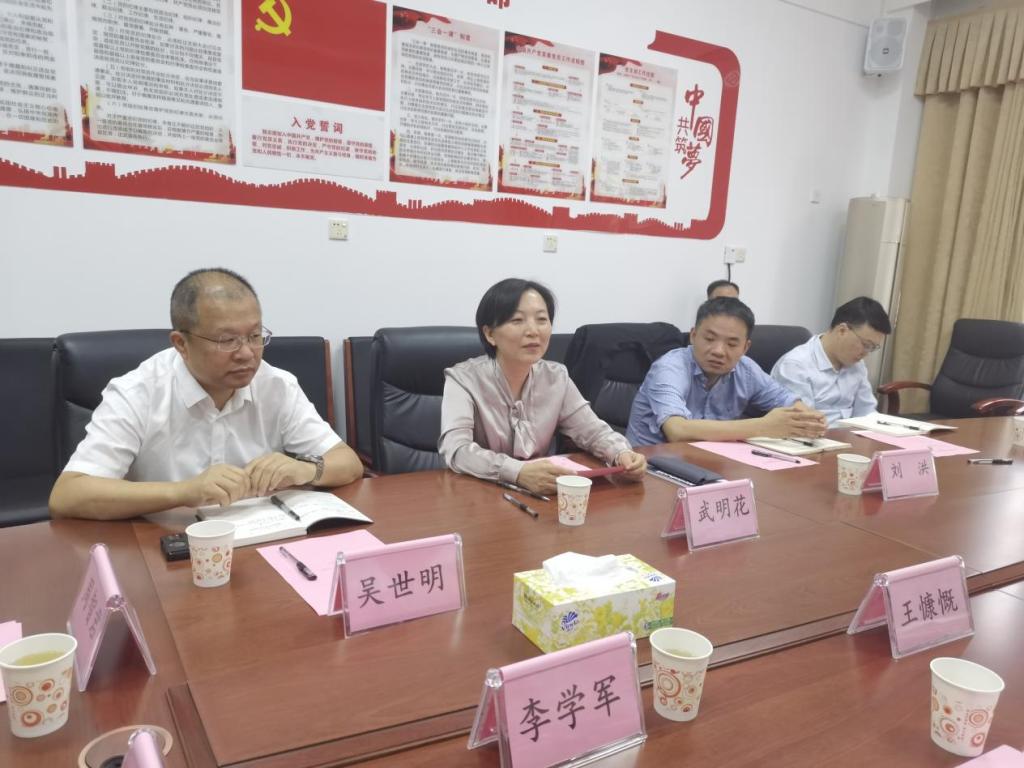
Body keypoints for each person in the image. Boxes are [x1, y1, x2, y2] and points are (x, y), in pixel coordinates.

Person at [49, 268, 363, 520]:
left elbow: (348, 462)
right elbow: (68, 495)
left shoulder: (276, 385)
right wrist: (185, 491)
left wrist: (304, 470)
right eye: (227, 340)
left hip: (261, 536)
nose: (247, 353)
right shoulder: (138, 393)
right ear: (181, 344)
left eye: (255, 335)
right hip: (163, 544)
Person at [439, 278, 647, 496]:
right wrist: (517, 472)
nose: (533, 331)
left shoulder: (556, 377)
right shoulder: (463, 379)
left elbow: (592, 431)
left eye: (541, 319)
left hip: (542, 495)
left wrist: (621, 453)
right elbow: (456, 450)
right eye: (517, 320)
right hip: (479, 495)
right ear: (490, 334)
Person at [626, 297, 827, 445]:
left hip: (710, 464)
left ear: (745, 347)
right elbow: (678, 430)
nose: (719, 351)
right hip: (651, 467)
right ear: (693, 336)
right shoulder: (670, 367)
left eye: (731, 344)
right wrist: (764, 426)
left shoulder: (746, 370)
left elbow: (785, 399)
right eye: (709, 339)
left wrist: (809, 419)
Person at [771, 296, 891, 426]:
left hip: (849, 435)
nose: (866, 353)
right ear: (842, 330)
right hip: (814, 435)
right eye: (866, 344)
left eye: (872, 348)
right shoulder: (795, 366)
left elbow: (867, 413)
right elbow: (804, 423)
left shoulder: (857, 365)